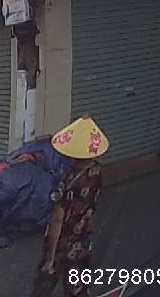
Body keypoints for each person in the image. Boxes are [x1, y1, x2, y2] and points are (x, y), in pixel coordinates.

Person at [33, 116, 108, 297]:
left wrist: (50, 257)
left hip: (63, 242)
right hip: (84, 241)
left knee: (44, 285)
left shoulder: (66, 180)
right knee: (78, 288)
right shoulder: (97, 172)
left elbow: (57, 220)